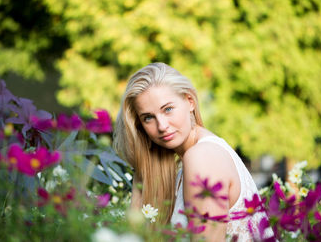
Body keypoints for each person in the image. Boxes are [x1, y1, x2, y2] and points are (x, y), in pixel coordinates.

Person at [113, 63, 270, 241]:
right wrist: (141, 175)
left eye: (168, 109)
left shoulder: (202, 157)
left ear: (190, 101)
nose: (162, 126)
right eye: (148, 118)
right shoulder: (187, 163)